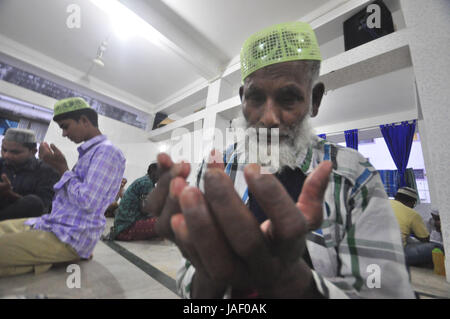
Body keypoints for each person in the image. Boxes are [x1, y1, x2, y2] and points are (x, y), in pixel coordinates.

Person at [143, 22, 414, 298]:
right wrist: (211, 275)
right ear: (242, 100)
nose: (269, 118)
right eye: (256, 98)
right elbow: (189, 280)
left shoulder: (354, 177)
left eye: (288, 98)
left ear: (314, 100)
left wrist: (297, 285)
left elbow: (382, 290)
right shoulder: (215, 171)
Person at [0, 97, 126, 277]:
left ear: (84, 120)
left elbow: (88, 201)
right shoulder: (91, 153)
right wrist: (62, 170)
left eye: (65, 126)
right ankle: (46, 260)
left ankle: (63, 256)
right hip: (55, 225)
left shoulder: (107, 152)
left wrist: (62, 169)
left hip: (70, 237)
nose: (64, 134)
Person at [0, 128, 59, 221]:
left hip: (21, 223)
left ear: (33, 151)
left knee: (33, 202)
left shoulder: (47, 172)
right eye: (4, 150)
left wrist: (10, 194)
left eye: (15, 152)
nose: (6, 155)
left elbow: (41, 208)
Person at [108, 163, 159, 241]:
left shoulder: (146, 181)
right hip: (126, 227)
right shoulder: (147, 183)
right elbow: (145, 210)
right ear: (154, 173)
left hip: (123, 224)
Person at [390, 187, 438, 267]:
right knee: (437, 247)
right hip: (395, 254)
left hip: (370, 249)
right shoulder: (412, 214)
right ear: (412, 202)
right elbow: (425, 239)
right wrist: (413, 229)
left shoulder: (383, 203)